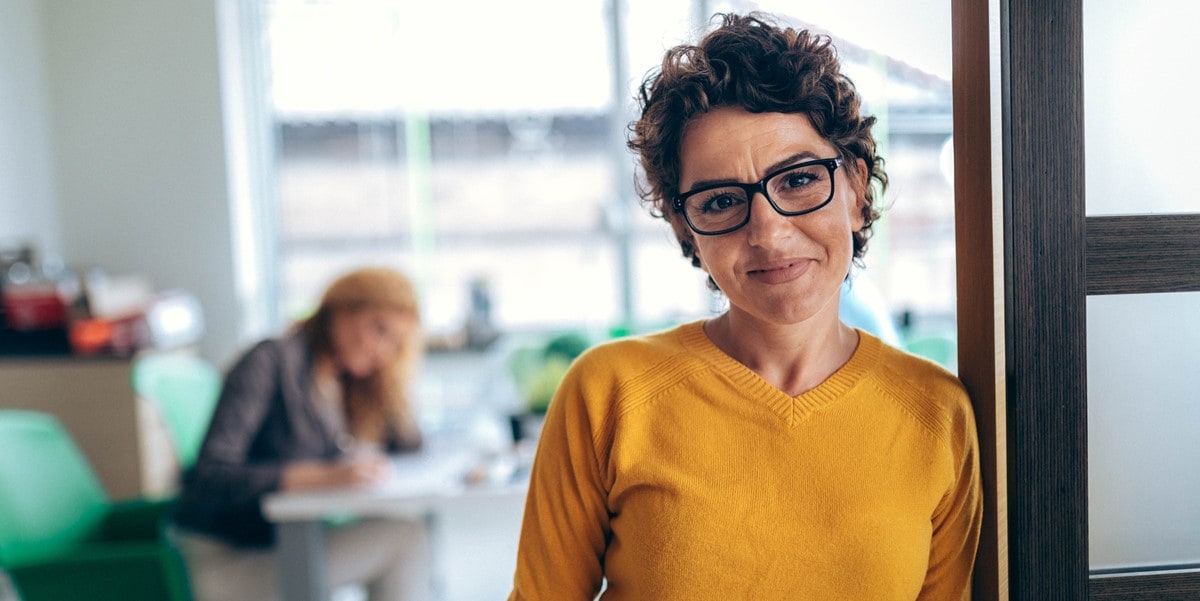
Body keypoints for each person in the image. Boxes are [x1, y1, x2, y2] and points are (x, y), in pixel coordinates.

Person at [508, 13, 982, 600]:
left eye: (800, 180)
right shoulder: (608, 394)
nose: (769, 232)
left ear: (857, 191)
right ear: (687, 230)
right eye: (722, 200)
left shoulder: (937, 414)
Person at [172, 266, 434, 601]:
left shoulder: (339, 383)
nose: (383, 350)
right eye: (378, 330)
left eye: (395, 343)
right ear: (340, 311)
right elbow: (211, 475)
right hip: (225, 559)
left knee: (403, 532)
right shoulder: (270, 360)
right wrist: (322, 476)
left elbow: (409, 446)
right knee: (405, 539)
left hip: (285, 545)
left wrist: (390, 384)